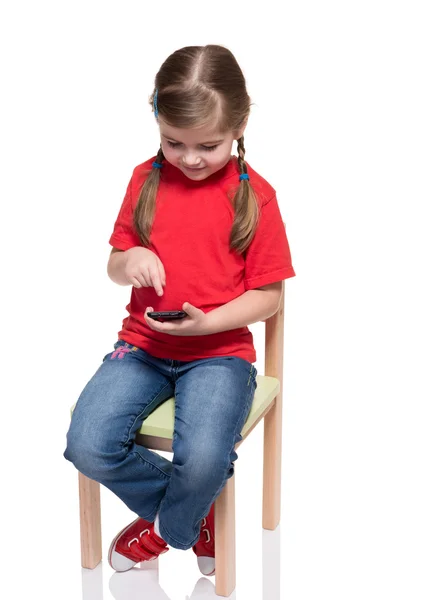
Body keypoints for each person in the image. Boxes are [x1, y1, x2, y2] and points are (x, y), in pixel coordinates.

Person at [63, 44, 296, 578]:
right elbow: (114, 266)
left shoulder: (255, 198)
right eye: (174, 142)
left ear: (239, 125)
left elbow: (270, 297)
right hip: (142, 349)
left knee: (207, 456)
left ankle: (168, 525)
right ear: (156, 120)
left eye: (207, 145)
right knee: (87, 443)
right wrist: (132, 259)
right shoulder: (145, 179)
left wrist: (208, 322)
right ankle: (193, 514)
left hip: (219, 355)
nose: (190, 158)